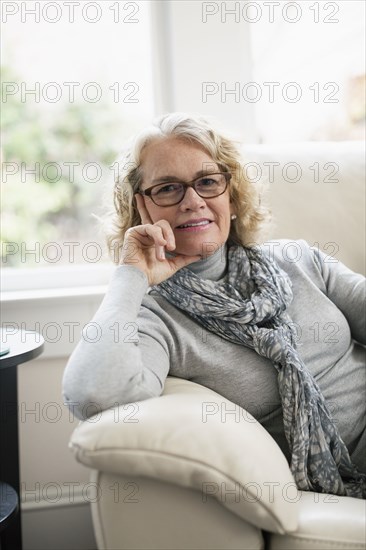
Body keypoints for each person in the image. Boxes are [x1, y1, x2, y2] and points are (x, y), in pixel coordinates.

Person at [62, 112, 365, 499]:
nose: (192, 201)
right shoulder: (156, 318)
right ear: (143, 207)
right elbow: (92, 394)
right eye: (168, 188)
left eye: (207, 182)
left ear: (232, 196)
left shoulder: (298, 260)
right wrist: (130, 275)